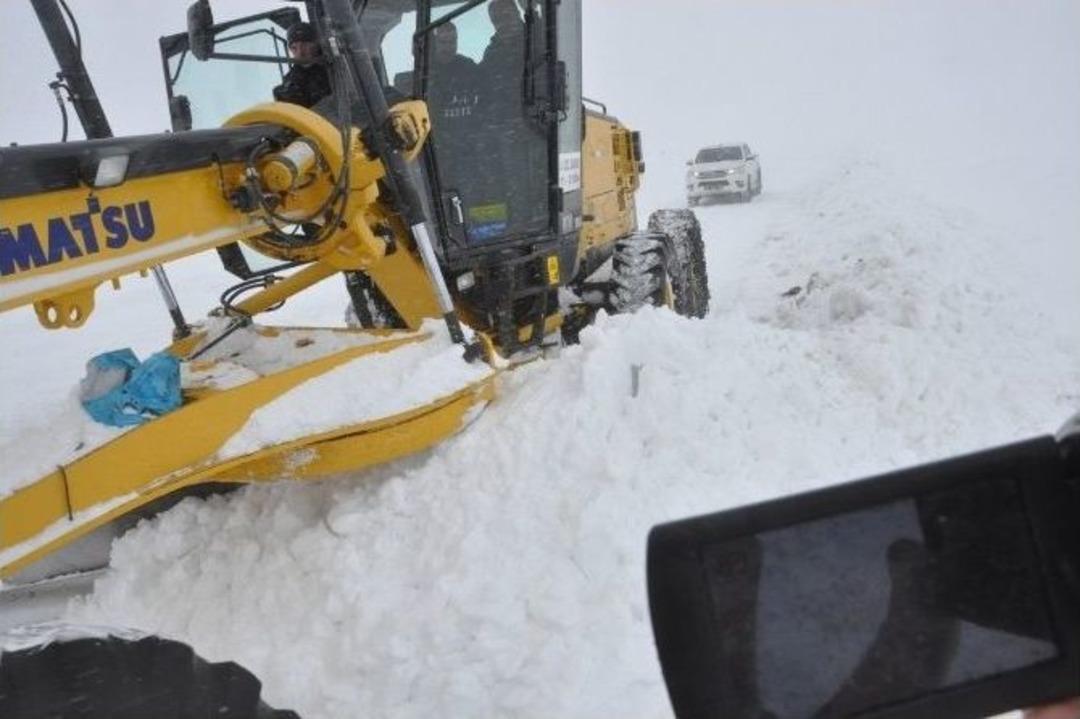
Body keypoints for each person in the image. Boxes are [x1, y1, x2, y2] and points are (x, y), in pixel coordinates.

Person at [273, 22, 332, 109]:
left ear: (316, 44)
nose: (300, 52)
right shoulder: (292, 81)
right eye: (294, 48)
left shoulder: (334, 59)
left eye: (304, 45)